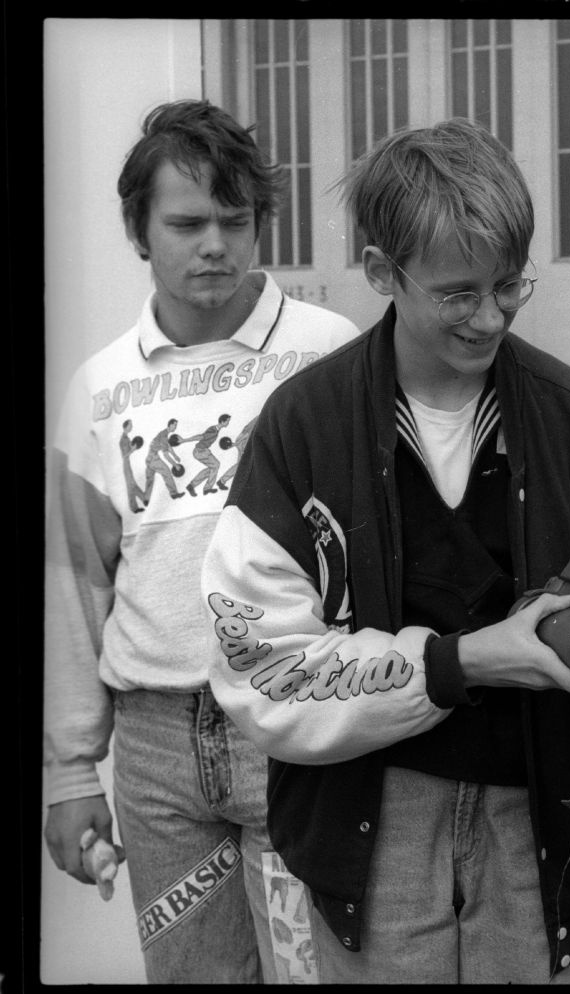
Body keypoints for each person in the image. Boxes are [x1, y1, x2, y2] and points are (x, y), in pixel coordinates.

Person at [200, 117, 570, 985]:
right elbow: (260, 665)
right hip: (371, 820)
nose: (491, 316)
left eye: (510, 287)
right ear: (383, 273)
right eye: (459, 294)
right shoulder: (303, 427)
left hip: (540, 823)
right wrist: (459, 664)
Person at [44, 99, 362, 983]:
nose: (214, 244)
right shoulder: (99, 391)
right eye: (186, 223)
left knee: (321, 974)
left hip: (297, 726)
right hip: (155, 755)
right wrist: (70, 774)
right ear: (138, 230)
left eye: (236, 219)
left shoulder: (329, 357)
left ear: (263, 222)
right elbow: (75, 593)